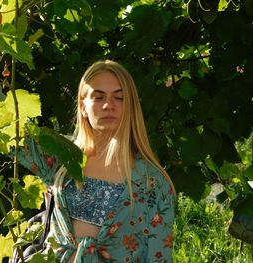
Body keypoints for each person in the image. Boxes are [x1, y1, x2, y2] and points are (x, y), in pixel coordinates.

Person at [19, 60, 176, 262]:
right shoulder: (61, 155)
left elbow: (159, 257)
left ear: (131, 106)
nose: (108, 105)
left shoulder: (153, 182)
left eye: (119, 98)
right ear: (83, 106)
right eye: (98, 96)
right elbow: (2, 124)